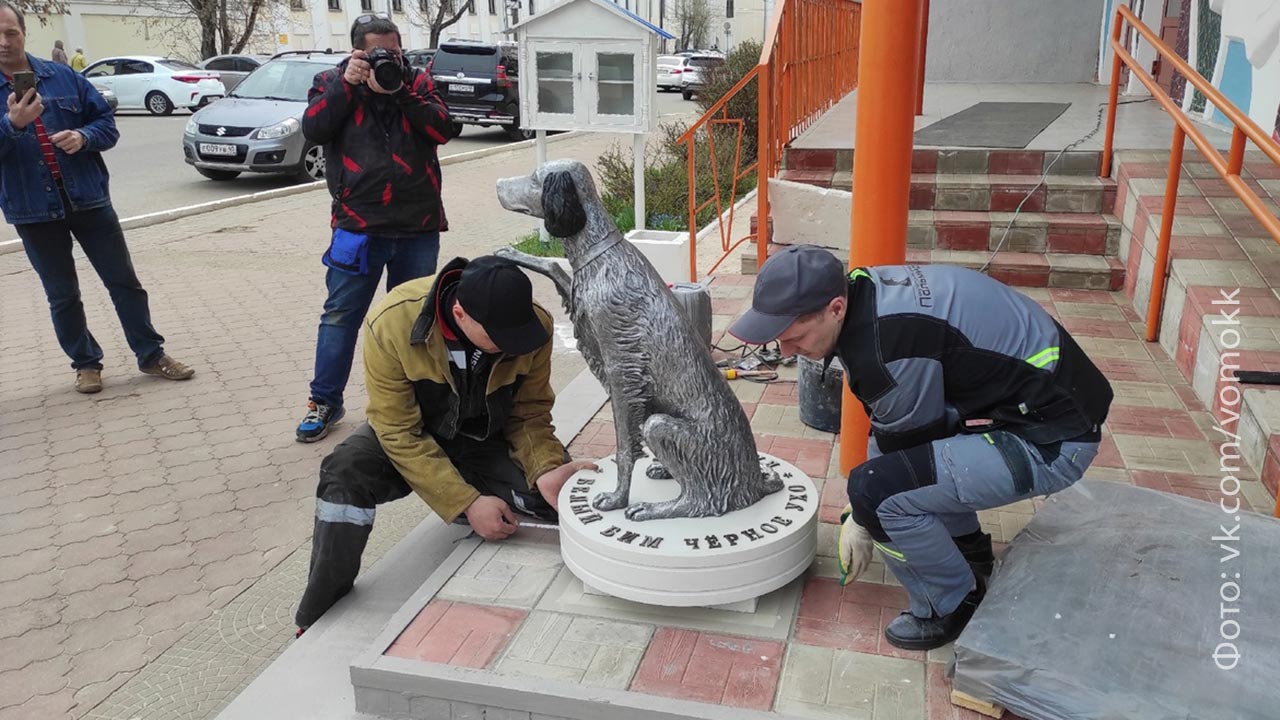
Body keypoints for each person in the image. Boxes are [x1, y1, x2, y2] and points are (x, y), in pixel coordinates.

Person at [728, 246, 1113, 651]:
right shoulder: (868, 291)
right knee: (904, 474)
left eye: (795, 337)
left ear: (835, 308)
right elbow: (898, 430)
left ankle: (950, 602)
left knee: (879, 495)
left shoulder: (886, 349)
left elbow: (902, 452)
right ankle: (969, 550)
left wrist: (862, 515)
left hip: (1051, 441)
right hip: (1036, 404)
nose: (787, 352)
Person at [294, 255, 596, 632]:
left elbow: (529, 413)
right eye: (499, 339)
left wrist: (547, 468)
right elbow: (397, 431)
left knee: (551, 498)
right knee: (344, 472)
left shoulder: (532, 326)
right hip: (414, 434)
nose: (511, 347)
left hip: (487, 436)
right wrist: (465, 503)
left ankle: (504, 488)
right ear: (460, 313)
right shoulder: (392, 323)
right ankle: (320, 607)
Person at [0, 1, 194, 393]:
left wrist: (84, 137)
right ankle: (86, 364)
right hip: (33, 210)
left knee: (124, 282)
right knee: (62, 294)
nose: (4, 42)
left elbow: (106, 123)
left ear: (23, 32)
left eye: (10, 32)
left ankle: (151, 355)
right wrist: (12, 124)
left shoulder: (61, 76)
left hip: (88, 198)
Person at [296, 12, 456, 443]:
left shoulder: (417, 81)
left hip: (417, 224)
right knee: (340, 317)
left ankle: (414, 402)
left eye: (395, 50)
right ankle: (324, 401)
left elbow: (445, 129)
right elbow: (314, 128)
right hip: (357, 225)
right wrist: (348, 84)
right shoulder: (332, 81)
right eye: (377, 52)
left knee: (413, 321)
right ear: (356, 52)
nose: (388, 58)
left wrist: (400, 91)